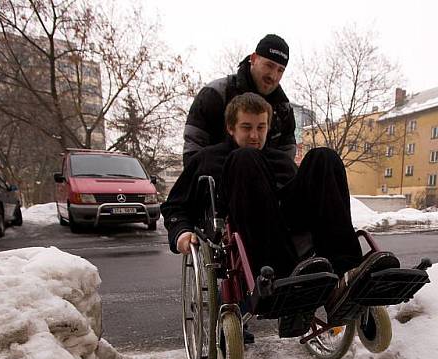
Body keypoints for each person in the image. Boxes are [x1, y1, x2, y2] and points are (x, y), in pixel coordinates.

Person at [162, 93, 402, 337]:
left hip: (286, 220)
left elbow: (303, 196)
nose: (255, 136)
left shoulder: (280, 160)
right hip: (246, 228)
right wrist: (181, 232)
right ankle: (282, 280)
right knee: (245, 157)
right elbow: (175, 206)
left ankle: (345, 275)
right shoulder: (207, 159)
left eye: (261, 127)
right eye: (247, 127)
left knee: (324, 157)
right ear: (230, 128)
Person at [182, 34, 297, 167]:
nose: (273, 75)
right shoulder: (215, 95)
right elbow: (194, 150)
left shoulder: (283, 110)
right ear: (253, 59)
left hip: (266, 183)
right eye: (269, 65)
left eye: (280, 70)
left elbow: (286, 158)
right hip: (218, 179)